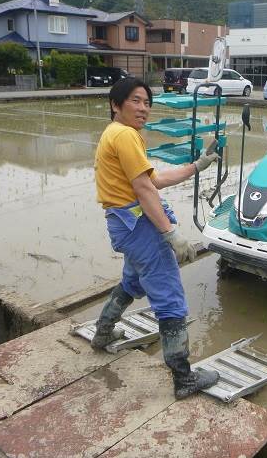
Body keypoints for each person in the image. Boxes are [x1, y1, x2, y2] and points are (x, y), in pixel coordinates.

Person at [91, 77, 220, 400]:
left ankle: (102, 334)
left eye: (147, 102)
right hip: (140, 227)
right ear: (115, 105)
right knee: (170, 298)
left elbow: (154, 179)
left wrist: (196, 166)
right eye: (135, 100)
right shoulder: (125, 135)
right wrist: (172, 235)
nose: (143, 108)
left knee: (132, 283)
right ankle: (183, 378)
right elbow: (145, 189)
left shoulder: (116, 134)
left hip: (123, 225)